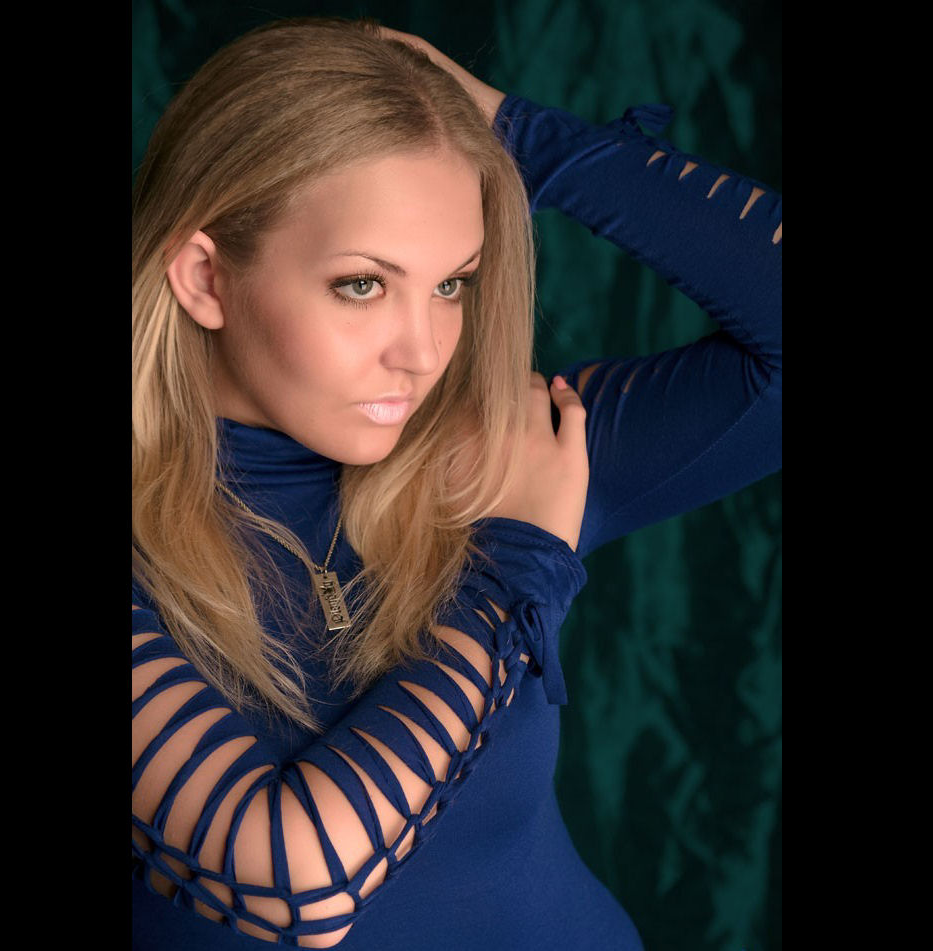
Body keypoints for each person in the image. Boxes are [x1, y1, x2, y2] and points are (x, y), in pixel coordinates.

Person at [132, 16, 781, 951]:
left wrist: (525, 139)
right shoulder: (518, 515)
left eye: (451, 284)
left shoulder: (484, 458)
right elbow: (291, 883)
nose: (423, 352)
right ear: (204, 277)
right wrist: (514, 570)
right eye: (362, 285)